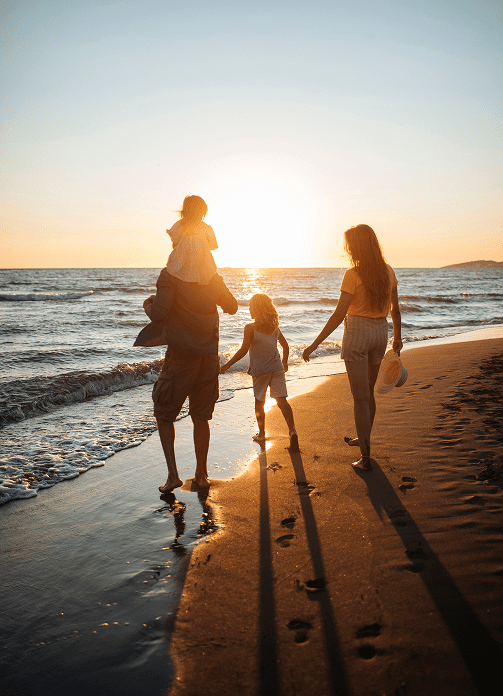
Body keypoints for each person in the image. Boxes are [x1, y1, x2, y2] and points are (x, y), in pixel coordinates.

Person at [138, 196, 238, 493]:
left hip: (181, 357)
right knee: (200, 417)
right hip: (209, 356)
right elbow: (232, 307)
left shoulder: (170, 276)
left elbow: (158, 314)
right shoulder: (213, 278)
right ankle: (202, 474)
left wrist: (148, 303)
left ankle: (173, 475)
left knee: (163, 412)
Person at [302, 224, 402, 471]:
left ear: (357, 247)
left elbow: (339, 315)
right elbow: (395, 309)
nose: (347, 249)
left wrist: (314, 344)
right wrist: (397, 337)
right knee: (367, 393)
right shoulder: (388, 271)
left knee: (360, 399)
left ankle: (365, 457)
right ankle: (364, 437)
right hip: (380, 332)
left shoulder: (353, 274)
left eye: (349, 245)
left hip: (357, 334)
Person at [220, 293, 299, 451]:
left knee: (259, 402)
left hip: (260, 371)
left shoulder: (250, 328)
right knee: (282, 401)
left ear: (255, 308)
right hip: (276, 369)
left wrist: (227, 365)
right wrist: (284, 362)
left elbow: (243, 350)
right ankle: (292, 431)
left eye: (250, 306)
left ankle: (262, 434)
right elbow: (285, 346)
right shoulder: (274, 327)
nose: (248, 308)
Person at [165, 195, 218, 285]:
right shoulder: (206, 228)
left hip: (180, 265)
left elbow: (175, 244)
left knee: (166, 278)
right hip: (203, 266)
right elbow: (213, 246)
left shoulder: (179, 226)